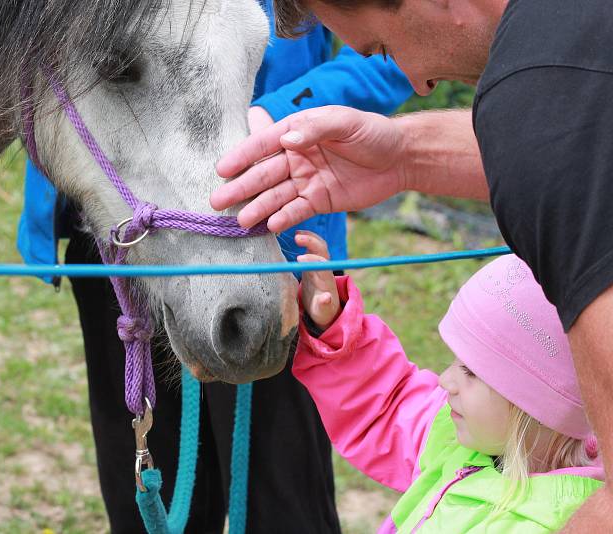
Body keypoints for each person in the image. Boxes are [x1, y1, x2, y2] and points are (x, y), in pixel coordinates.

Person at [210, 0, 613, 528]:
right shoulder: (461, 440)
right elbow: (389, 405)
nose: (419, 84)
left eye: (381, 47)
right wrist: (336, 337)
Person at [17, 1, 412, 531]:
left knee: (280, 498)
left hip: (264, 228)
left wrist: (282, 113)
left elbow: (407, 42)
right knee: (142, 490)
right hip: (119, 224)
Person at [292, 230, 602, 532]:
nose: (445, 380)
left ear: (535, 405)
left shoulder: (559, 523)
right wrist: (333, 327)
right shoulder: (462, 433)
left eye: (470, 372)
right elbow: (388, 405)